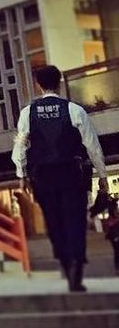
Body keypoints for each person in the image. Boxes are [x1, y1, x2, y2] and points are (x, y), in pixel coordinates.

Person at [12, 64, 107, 293]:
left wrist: (21, 173)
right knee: (75, 219)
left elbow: (20, 145)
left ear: (37, 84)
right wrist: (102, 174)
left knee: (53, 220)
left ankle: (65, 261)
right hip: (71, 173)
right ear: (60, 82)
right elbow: (92, 146)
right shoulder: (74, 110)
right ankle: (76, 265)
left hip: (42, 175)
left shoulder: (28, 112)